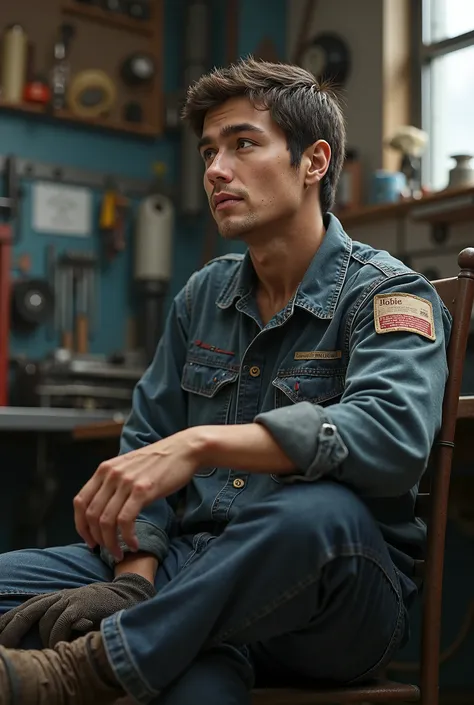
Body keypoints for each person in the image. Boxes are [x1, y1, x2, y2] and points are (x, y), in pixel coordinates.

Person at [0, 57, 451, 705]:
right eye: (210, 150)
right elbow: (145, 443)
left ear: (314, 162)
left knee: (318, 512)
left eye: (242, 144)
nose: (215, 169)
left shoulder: (385, 293)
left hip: (332, 602)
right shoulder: (202, 295)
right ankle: (151, 633)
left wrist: (202, 443)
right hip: (193, 576)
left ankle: (87, 666)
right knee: (184, 671)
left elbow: (392, 436)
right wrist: (134, 579)